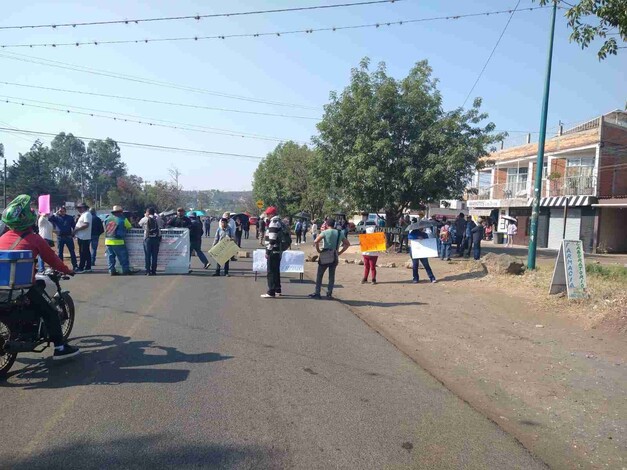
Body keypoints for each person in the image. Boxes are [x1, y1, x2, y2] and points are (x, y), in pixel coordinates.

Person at [0, 195, 79, 360]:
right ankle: (60, 347)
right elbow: (52, 259)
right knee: (50, 310)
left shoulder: (2, 238)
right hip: (24, 288)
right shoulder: (35, 239)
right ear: (28, 218)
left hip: (2, 288)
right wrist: (67, 270)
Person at [309, 218, 350, 300]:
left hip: (325, 255)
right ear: (334, 224)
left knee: (320, 275)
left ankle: (317, 293)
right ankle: (329, 293)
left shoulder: (324, 232)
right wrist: (339, 252)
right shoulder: (339, 233)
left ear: (327, 225)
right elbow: (347, 244)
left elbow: (316, 241)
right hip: (334, 255)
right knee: (331, 276)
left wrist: (318, 250)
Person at [261, 206, 287, 298]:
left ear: (272, 214)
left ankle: (271, 291)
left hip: (273, 250)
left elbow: (272, 239)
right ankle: (277, 289)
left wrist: (268, 252)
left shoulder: (273, 223)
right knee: (276, 271)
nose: (267, 215)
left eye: (268, 214)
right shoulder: (279, 222)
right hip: (278, 250)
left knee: (271, 271)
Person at [105, 205, 134, 276]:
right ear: (120, 212)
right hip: (118, 241)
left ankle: (111, 270)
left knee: (110, 257)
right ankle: (125, 270)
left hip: (108, 240)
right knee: (123, 257)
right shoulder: (123, 219)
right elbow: (129, 227)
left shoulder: (107, 218)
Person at [49, 206, 78, 270]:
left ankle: (75, 265)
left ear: (65, 211)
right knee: (60, 253)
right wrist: (55, 213)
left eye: (62, 211)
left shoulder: (70, 218)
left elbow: (74, 226)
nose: (60, 212)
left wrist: (73, 234)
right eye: (59, 211)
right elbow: (49, 219)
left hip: (68, 237)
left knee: (72, 252)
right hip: (60, 237)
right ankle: (60, 266)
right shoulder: (56, 217)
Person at [139, 207, 162, 276]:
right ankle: (154, 271)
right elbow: (162, 224)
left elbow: (139, 224)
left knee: (147, 255)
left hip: (147, 238)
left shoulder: (144, 219)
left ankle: (148, 271)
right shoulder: (158, 218)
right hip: (156, 238)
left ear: (147, 212)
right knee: (155, 255)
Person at [73, 202, 93, 273]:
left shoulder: (87, 214)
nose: (78, 209)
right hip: (82, 236)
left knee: (83, 253)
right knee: (86, 252)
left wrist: (76, 229)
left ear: (84, 208)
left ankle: (81, 267)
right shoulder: (84, 214)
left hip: (84, 237)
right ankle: (88, 267)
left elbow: (86, 225)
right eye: (78, 208)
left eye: (80, 208)